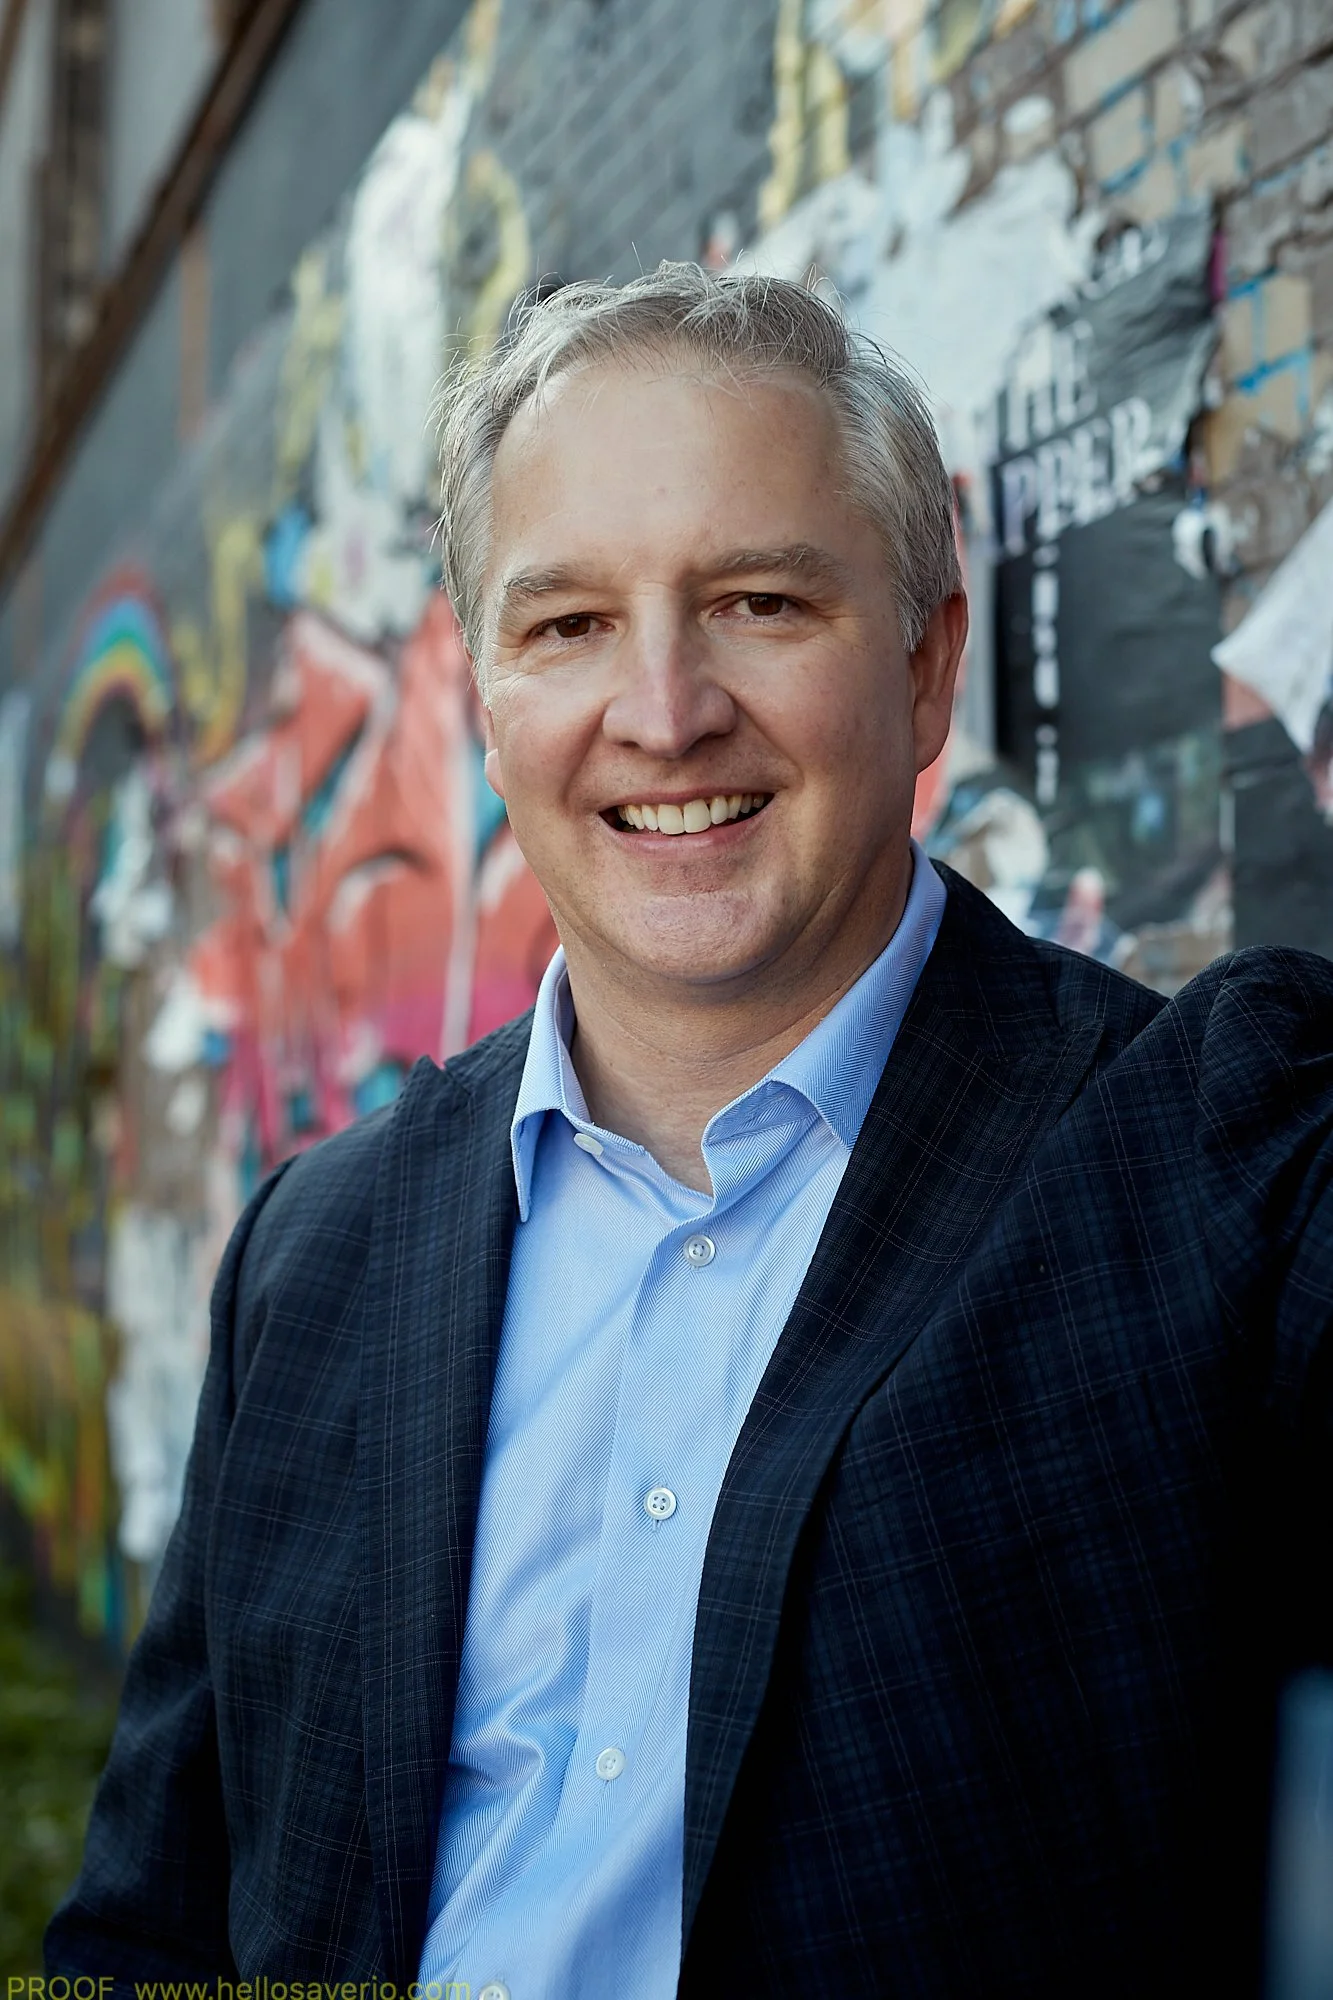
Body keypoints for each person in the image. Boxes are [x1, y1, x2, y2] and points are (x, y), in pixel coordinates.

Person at [47, 264, 1333, 1999]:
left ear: (929, 663)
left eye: (757, 603)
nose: (662, 710)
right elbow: (150, 1921)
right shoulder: (313, 1251)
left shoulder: (1209, 1153)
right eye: (567, 623)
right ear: (489, 697)